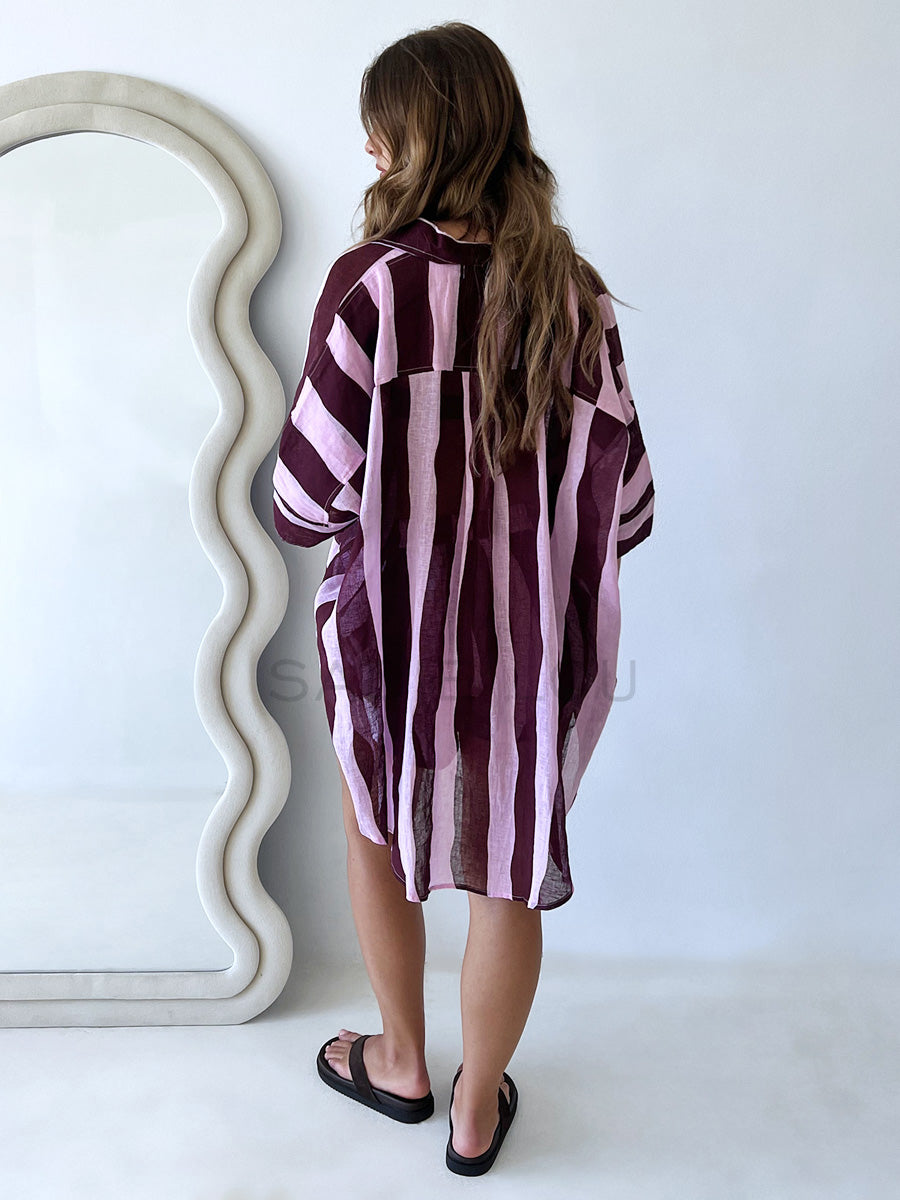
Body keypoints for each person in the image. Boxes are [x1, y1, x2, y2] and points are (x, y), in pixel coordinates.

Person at [271, 20, 655, 1176]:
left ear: (419, 141)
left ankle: (401, 1061)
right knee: (509, 862)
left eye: (381, 135)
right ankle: (476, 1112)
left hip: (386, 634)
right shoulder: (574, 294)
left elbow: (302, 498)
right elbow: (628, 499)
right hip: (530, 645)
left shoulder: (372, 287)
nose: (370, 154)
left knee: (375, 830)